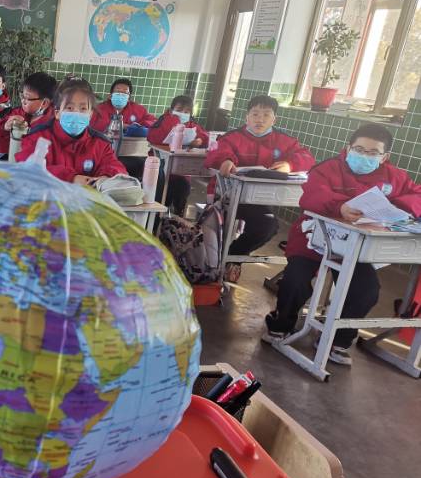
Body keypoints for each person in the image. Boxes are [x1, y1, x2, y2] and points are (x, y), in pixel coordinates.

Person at [263, 123, 421, 365]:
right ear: (348, 149)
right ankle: (281, 324)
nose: (364, 156)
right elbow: (312, 195)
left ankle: (336, 338)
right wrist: (339, 206)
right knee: (295, 281)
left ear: (384, 157)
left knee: (366, 290)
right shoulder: (328, 169)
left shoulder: (394, 177)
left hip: (357, 249)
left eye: (372, 153)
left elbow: (416, 195)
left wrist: (396, 207)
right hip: (315, 242)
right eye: (359, 150)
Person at [203, 95, 315, 282]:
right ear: (246, 117)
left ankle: (234, 255)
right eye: (255, 114)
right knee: (217, 230)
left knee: (267, 226)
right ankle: (218, 261)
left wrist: (290, 164)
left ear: (274, 119)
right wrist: (226, 160)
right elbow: (216, 152)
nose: (260, 119)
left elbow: (306, 157)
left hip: (262, 199)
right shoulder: (232, 138)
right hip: (228, 196)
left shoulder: (285, 141)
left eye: (266, 115)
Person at [15, 77, 126, 184]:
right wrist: (71, 178)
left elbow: (116, 169)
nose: (76, 113)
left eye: (83, 108)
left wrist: (106, 178)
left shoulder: (100, 144)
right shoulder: (37, 138)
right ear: (57, 112)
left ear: (90, 114)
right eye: (69, 108)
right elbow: (26, 170)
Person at [148, 94, 209, 215]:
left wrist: (199, 140)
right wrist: (174, 120)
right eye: (179, 110)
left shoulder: (192, 125)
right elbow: (152, 136)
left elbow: (205, 136)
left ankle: (176, 215)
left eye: (187, 111)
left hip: (181, 169)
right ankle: (157, 217)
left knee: (183, 188)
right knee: (162, 193)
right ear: (171, 110)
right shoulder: (164, 120)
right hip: (160, 167)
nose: (183, 113)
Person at [0, 72, 56, 154]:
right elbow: (1, 150)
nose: (23, 101)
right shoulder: (16, 114)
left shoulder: (54, 124)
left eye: (27, 98)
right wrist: (4, 129)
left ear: (44, 103)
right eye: (22, 96)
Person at [90, 77, 157, 134]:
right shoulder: (98, 108)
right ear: (110, 96)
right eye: (118, 91)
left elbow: (154, 123)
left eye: (125, 93)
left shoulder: (139, 110)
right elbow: (91, 125)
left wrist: (133, 127)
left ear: (128, 98)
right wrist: (118, 126)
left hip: (128, 144)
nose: (121, 94)